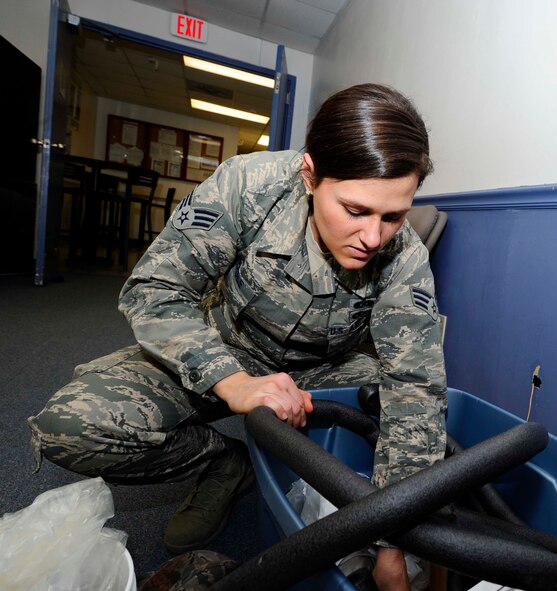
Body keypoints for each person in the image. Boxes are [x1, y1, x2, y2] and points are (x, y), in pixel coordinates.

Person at [28, 83, 447, 590]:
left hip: (324, 368)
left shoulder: (403, 256)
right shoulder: (248, 186)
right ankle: (226, 465)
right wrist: (234, 381)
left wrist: (391, 540)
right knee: (71, 425)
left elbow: (414, 384)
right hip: (224, 346)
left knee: (429, 433)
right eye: (356, 211)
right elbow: (156, 290)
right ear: (310, 174)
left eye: (394, 215)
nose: (374, 237)